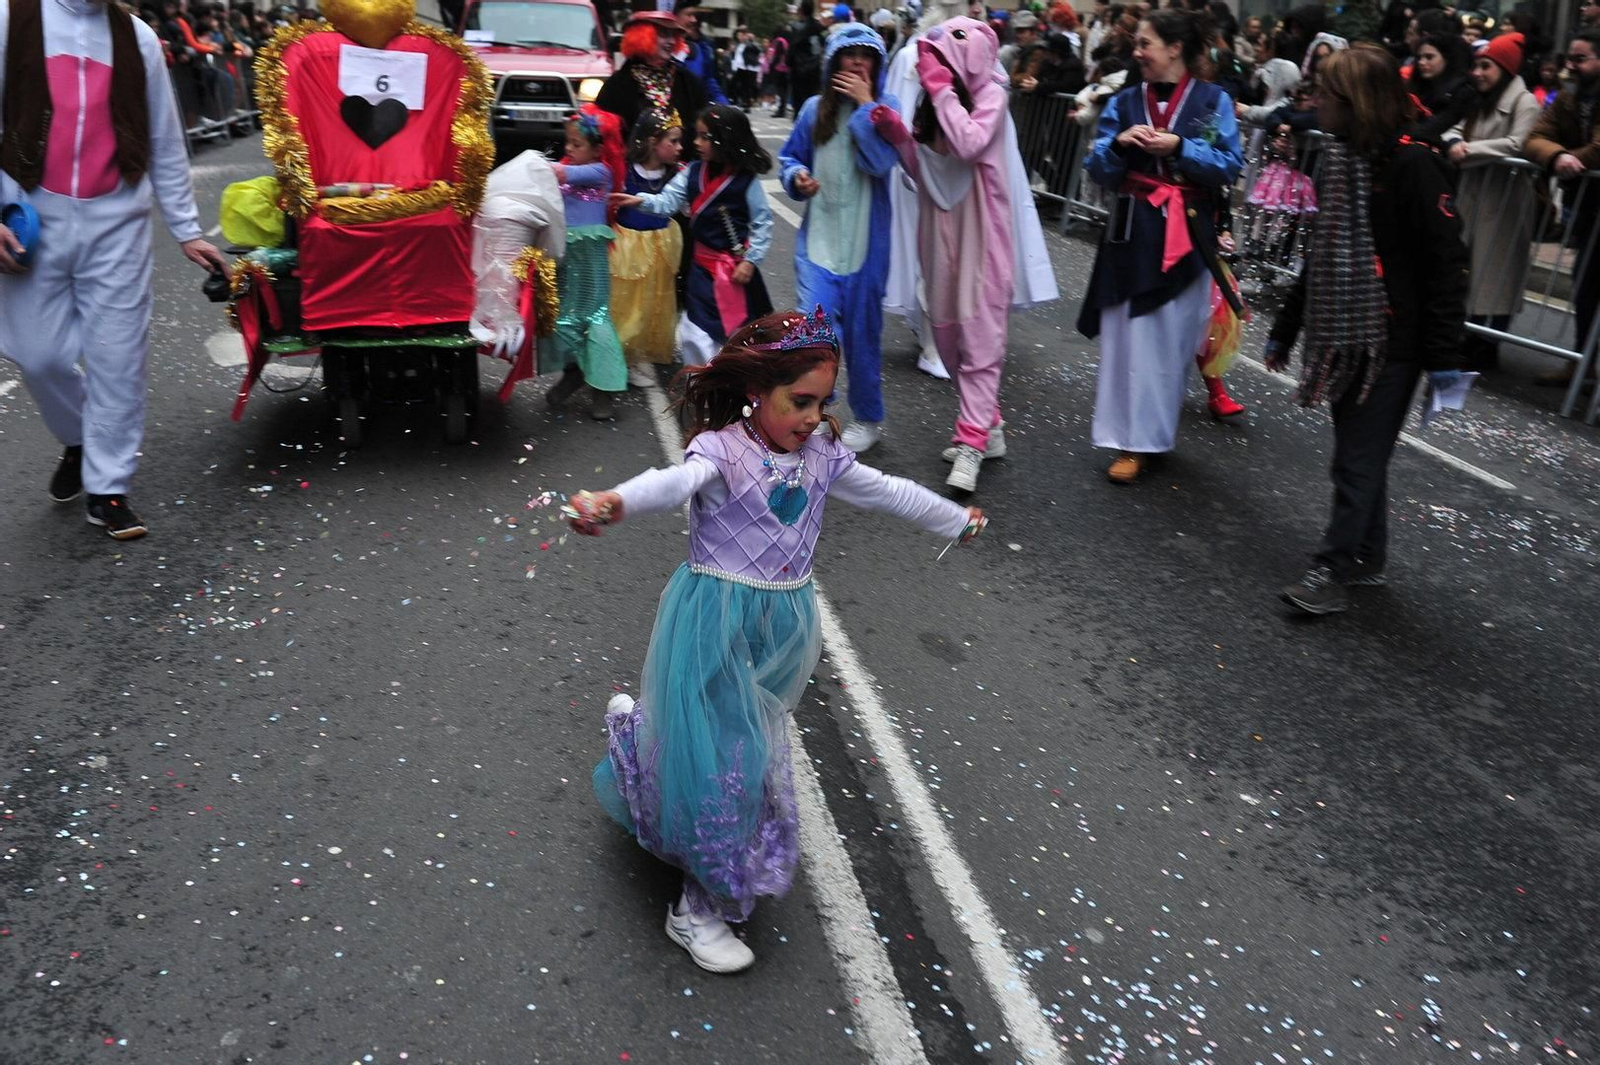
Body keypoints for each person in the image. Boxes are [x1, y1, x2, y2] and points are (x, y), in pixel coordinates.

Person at [578, 308, 984, 973]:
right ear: (756, 389)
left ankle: (639, 738)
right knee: (730, 758)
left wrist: (952, 519)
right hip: (712, 618)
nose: (813, 416)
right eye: (800, 400)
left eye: (823, 402)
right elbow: (670, 484)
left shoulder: (822, 456)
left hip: (782, 624)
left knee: (721, 738)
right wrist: (614, 502)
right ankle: (697, 907)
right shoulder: (720, 450)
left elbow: (888, 492)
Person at [1, 0, 228, 540]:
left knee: (117, 357)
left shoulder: (139, 37)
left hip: (117, 222)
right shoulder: (12, 18)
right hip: (31, 216)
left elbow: (165, 139)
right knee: (39, 355)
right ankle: (81, 439)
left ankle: (108, 489)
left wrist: (186, 227)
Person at [1268, 45, 1469, 615]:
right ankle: (1367, 559)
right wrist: (1287, 326)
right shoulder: (1340, 159)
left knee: (1356, 459)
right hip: (1343, 331)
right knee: (1362, 454)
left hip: (1392, 340)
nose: (1314, 103)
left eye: (1324, 94)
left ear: (1352, 102)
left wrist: (1443, 354)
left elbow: (1446, 262)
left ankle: (1330, 570)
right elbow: (1323, 254)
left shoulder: (1413, 164)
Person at [1076, 8, 1245, 484]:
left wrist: (1181, 149)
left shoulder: (1214, 101)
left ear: (1174, 48)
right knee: (1127, 339)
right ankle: (1129, 441)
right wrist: (1118, 147)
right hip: (1131, 231)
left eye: (1145, 43)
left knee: (1167, 342)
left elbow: (1229, 165)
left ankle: (1151, 435)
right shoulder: (1127, 100)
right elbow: (1098, 168)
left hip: (1186, 235)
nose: (1137, 51)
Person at [870, 16, 1017, 494]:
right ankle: (988, 423)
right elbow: (924, 169)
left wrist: (940, 89)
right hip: (939, 234)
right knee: (949, 340)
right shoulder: (936, 103)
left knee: (981, 341)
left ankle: (972, 440)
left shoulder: (992, 93)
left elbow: (970, 143)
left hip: (982, 234)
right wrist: (899, 137)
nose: (930, 67)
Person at [882, 0, 1059, 385]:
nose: (978, 9)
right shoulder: (917, 55)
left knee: (976, 294)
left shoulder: (985, 72)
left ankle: (976, 414)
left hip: (975, 193)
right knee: (936, 278)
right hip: (932, 184)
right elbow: (913, 125)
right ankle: (939, 346)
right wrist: (901, 140)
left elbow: (975, 139)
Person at [779, 24, 900, 453]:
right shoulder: (814, 109)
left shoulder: (888, 107)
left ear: (877, 65)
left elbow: (881, 162)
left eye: (866, 56)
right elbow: (790, 156)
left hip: (868, 248)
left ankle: (867, 418)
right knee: (815, 334)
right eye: (849, 55)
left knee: (864, 336)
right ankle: (811, 410)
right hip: (820, 244)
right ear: (833, 63)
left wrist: (868, 108)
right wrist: (797, 177)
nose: (857, 63)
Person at [611, 105, 775, 365]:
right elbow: (667, 202)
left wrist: (750, 260)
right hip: (700, 269)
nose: (695, 143)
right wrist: (639, 201)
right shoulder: (692, 172)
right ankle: (703, 384)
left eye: (704, 137)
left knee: (735, 332)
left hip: (734, 271)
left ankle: (728, 385)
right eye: (696, 135)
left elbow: (762, 223)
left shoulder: (746, 181)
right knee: (695, 330)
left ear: (725, 138)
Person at [1442, 32, 1540, 371]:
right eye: (1477, 65)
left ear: (1505, 69)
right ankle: (1467, 335)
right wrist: (1455, 141)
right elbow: (1452, 126)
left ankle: (1488, 342)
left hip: (1505, 199)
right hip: (1473, 192)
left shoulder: (1524, 101)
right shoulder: (1479, 97)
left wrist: (1468, 151)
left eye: (1486, 66)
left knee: (1497, 272)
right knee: (1468, 265)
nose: (1478, 72)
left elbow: (1518, 144)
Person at [1524, 28, 1600, 388]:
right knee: (1585, 284)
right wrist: (1558, 156)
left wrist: (1573, 160)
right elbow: (1536, 137)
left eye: (1580, 58)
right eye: (1570, 57)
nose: (1570, 65)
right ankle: (1582, 364)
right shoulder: (1570, 95)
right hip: (1588, 204)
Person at [543, 107, 628, 421]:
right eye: (568, 143)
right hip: (564, 256)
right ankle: (574, 372)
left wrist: (533, 167)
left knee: (595, 320)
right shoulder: (569, 167)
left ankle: (603, 389)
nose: (569, 149)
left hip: (589, 260)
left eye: (577, 144)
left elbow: (561, 174)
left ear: (598, 149)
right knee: (562, 319)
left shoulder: (600, 172)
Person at [611, 109, 686, 388]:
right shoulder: (625, 169)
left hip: (661, 243)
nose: (680, 148)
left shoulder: (679, 174)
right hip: (628, 245)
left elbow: (685, 205)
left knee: (655, 302)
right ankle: (622, 354)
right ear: (653, 141)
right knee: (627, 302)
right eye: (673, 141)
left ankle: (641, 353)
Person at [595, 10, 709, 134]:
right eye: (663, 34)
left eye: (673, 35)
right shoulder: (617, 85)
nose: (671, 41)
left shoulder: (689, 83)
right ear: (643, 37)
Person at [1409, 32, 1474, 141]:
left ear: (1446, 58)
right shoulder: (1418, 86)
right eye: (1419, 58)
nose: (1421, 62)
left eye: (1429, 57)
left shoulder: (1461, 90)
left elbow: (1438, 127)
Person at [673, 4, 728, 106]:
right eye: (689, 15)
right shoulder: (660, 49)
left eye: (694, 15)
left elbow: (708, 81)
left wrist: (723, 104)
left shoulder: (698, 49)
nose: (694, 20)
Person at [786, 0, 827, 121]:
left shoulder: (795, 27)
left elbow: (792, 48)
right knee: (812, 96)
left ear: (801, 11)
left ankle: (799, 120)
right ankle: (812, 119)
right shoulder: (818, 26)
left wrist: (788, 62)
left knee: (798, 98)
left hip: (798, 68)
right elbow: (822, 44)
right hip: (814, 67)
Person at [729, 26, 760, 109]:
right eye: (739, 35)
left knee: (746, 86)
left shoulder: (750, 44)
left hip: (747, 68)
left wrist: (749, 40)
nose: (740, 37)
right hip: (739, 68)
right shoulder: (738, 45)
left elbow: (757, 51)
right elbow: (736, 57)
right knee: (735, 84)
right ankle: (739, 101)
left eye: (742, 35)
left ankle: (747, 104)